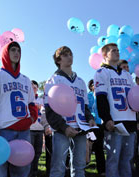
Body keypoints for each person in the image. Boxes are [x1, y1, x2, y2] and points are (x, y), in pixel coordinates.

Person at [0, 41, 38, 177]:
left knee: (21, 171)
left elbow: (32, 104)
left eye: (18, 51)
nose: (16, 53)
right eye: (13, 50)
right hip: (3, 131)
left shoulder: (26, 79)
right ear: (5, 53)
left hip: (23, 132)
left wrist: (31, 119)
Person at [44, 46, 96, 177]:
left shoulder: (81, 81)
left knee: (79, 166)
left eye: (71, 54)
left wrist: (89, 118)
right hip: (63, 129)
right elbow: (50, 110)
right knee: (58, 167)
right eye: (65, 55)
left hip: (80, 128)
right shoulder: (54, 80)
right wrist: (63, 127)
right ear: (58, 59)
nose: (69, 57)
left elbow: (85, 107)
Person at [94, 43, 139, 177]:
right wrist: (107, 118)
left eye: (117, 50)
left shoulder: (126, 74)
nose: (117, 52)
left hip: (130, 121)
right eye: (113, 50)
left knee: (127, 160)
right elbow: (101, 98)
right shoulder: (101, 72)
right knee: (113, 160)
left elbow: (135, 98)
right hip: (115, 122)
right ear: (105, 55)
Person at [87, 79, 105, 175]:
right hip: (90, 125)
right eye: (94, 84)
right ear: (90, 86)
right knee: (88, 145)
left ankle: (101, 170)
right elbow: (87, 107)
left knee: (99, 147)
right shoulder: (88, 96)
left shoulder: (101, 96)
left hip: (99, 124)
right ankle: (85, 165)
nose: (96, 86)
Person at [29, 80, 44, 177]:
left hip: (40, 128)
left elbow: (44, 112)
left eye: (35, 87)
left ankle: (34, 172)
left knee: (38, 152)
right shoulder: (27, 99)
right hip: (30, 129)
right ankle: (28, 172)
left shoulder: (41, 100)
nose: (34, 89)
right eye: (32, 87)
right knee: (29, 152)